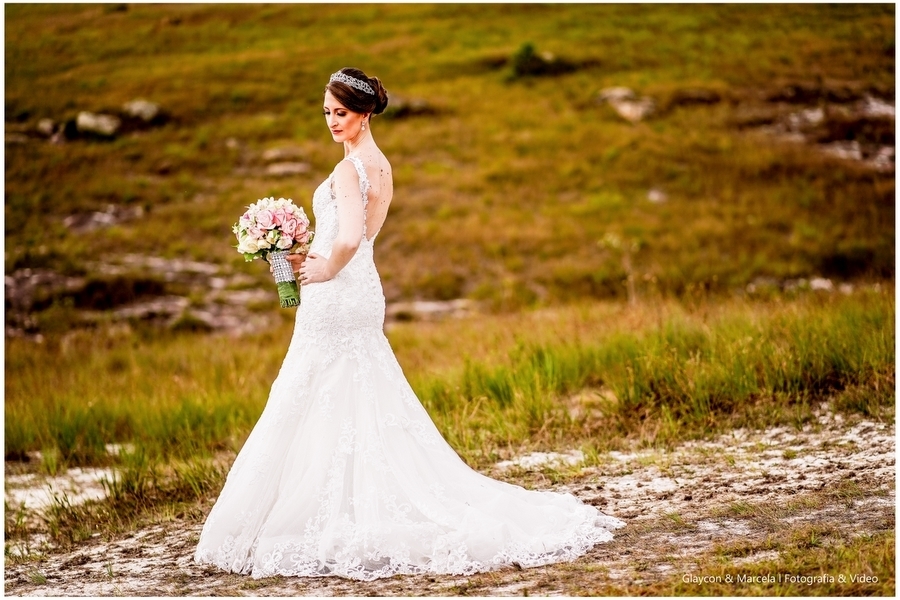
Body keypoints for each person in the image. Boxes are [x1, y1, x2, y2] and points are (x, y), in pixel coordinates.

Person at [194, 67, 624, 581]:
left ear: (366, 112)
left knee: (312, 392)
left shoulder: (348, 171)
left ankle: (324, 512)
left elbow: (352, 237)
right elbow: (364, 236)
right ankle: (349, 501)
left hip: (337, 293)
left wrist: (325, 267)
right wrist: (296, 253)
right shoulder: (383, 167)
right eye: (328, 112)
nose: (333, 121)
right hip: (362, 292)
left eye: (343, 113)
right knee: (357, 392)